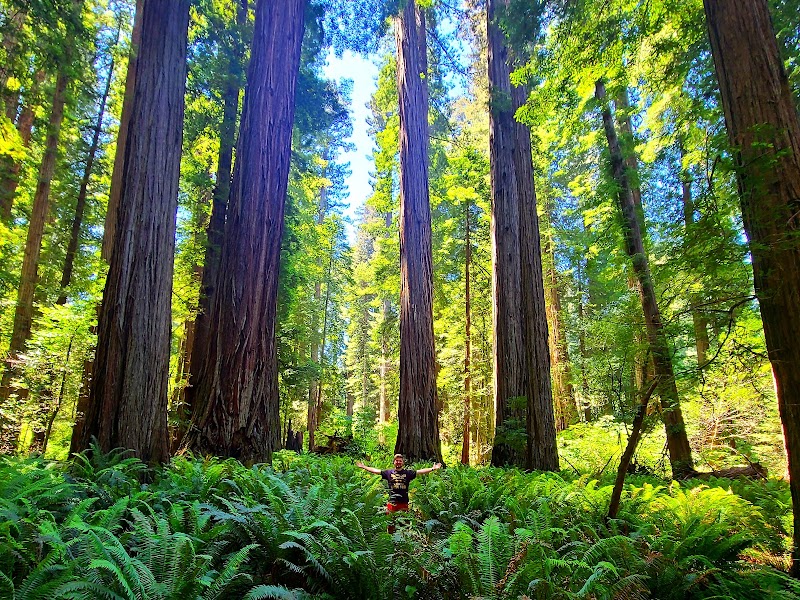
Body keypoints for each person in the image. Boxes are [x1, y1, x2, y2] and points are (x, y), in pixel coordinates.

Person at [356, 454, 443, 533]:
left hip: (404, 503)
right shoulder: (388, 473)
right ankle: (390, 542)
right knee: (390, 524)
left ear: (403, 463)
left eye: (400, 461)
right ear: (394, 462)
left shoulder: (408, 473)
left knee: (404, 525)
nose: (398, 462)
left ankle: (403, 544)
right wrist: (364, 467)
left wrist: (433, 469)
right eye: (396, 461)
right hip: (392, 503)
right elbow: (376, 471)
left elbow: (420, 471)